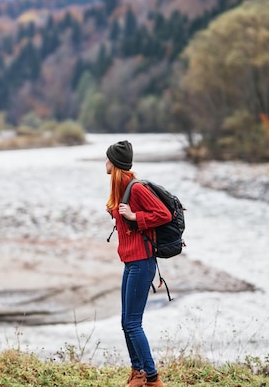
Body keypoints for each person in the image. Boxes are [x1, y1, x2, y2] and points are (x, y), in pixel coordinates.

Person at [105, 140, 171, 387]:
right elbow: (122, 216)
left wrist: (135, 216)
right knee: (126, 321)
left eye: (108, 159)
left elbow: (163, 214)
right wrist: (115, 211)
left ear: (116, 163)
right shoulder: (119, 187)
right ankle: (138, 373)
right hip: (130, 261)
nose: (105, 162)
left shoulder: (136, 188)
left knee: (133, 323)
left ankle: (153, 379)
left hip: (142, 262)